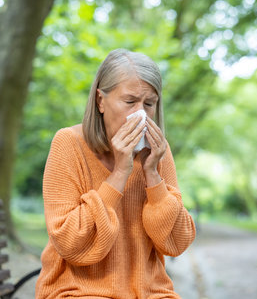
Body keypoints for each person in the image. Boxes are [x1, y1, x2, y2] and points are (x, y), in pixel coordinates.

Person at [35, 48, 196, 298]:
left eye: (149, 104)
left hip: (149, 292)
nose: (139, 114)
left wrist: (153, 174)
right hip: (78, 291)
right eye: (130, 101)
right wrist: (120, 172)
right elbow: (69, 243)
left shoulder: (159, 153)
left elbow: (175, 243)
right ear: (101, 101)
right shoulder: (68, 143)